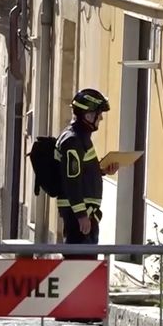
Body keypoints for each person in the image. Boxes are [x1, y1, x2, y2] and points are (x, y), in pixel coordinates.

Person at [56, 88, 118, 258]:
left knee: (84, 267)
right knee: (79, 267)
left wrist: (101, 171)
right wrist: (81, 215)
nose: (101, 118)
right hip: (80, 216)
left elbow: (80, 172)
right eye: (99, 114)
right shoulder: (73, 140)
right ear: (89, 115)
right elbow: (72, 180)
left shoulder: (80, 138)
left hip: (85, 213)